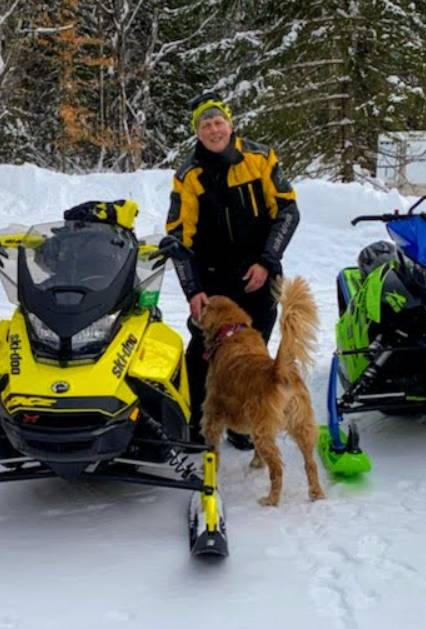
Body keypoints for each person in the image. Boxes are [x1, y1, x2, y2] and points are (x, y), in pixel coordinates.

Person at [164, 92, 301, 449]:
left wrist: (267, 261)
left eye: (218, 122)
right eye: (205, 124)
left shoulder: (259, 158)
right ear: (197, 132)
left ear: (230, 124)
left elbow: (288, 212)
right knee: (203, 352)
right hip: (215, 281)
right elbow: (179, 238)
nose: (213, 129)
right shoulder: (188, 176)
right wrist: (193, 289)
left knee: (253, 351)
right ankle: (197, 425)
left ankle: (248, 420)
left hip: (259, 273)